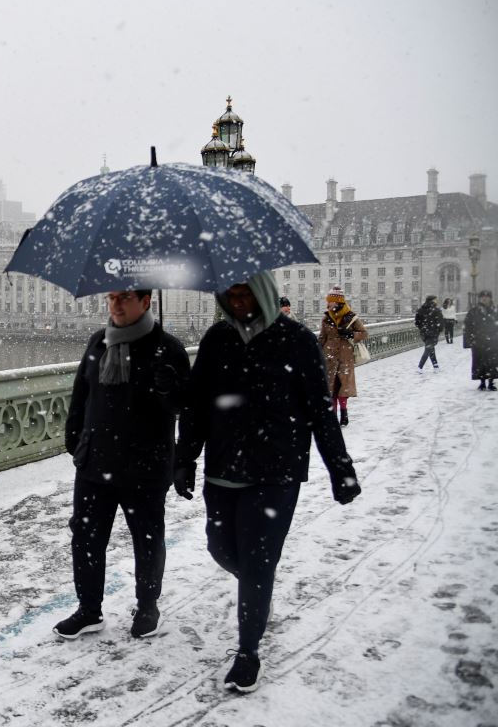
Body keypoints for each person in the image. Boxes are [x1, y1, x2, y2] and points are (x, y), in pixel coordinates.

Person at [176, 272, 361, 694]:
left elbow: (319, 410)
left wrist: (341, 468)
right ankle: (257, 590)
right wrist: (183, 458)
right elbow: (197, 404)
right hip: (223, 467)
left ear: (262, 293)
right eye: (231, 294)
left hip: (276, 469)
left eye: (246, 293)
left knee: (258, 562)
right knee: (221, 549)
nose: (239, 302)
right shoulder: (216, 339)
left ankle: (248, 650)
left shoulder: (295, 340)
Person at [55, 289, 191, 641]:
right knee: (85, 537)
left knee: (147, 538)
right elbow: (81, 393)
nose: (115, 304)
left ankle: (147, 604)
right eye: (112, 297)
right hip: (95, 462)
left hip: (144, 465)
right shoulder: (99, 341)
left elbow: (185, 406)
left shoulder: (169, 349)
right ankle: (89, 609)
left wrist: (168, 389)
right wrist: (75, 438)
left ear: (146, 302)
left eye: (125, 298)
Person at [318, 285, 367, 426]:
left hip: (345, 357)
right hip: (329, 358)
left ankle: (344, 413)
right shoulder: (326, 318)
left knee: (343, 388)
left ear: (338, 301)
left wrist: (351, 334)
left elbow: (364, 333)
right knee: (331, 389)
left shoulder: (351, 317)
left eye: (330, 301)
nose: (328, 304)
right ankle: (333, 416)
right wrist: (316, 352)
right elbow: (322, 338)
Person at [463, 290, 498, 391]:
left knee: (492, 362)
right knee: (480, 362)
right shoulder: (473, 311)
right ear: (480, 298)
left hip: (493, 342)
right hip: (478, 342)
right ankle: (482, 382)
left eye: (487, 297)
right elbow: (467, 327)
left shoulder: (495, 311)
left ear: (490, 298)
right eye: (483, 296)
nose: (485, 298)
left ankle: (491, 382)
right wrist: (469, 341)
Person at [414, 294, 443, 372]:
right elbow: (440, 323)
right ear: (432, 301)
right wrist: (438, 330)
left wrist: (422, 328)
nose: (437, 301)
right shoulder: (436, 310)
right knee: (428, 350)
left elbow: (417, 322)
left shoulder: (420, 310)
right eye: (436, 300)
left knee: (430, 349)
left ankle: (436, 366)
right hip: (433, 333)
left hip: (424, 333)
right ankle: (420, 367)